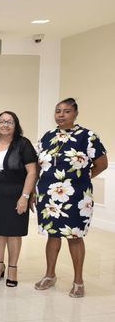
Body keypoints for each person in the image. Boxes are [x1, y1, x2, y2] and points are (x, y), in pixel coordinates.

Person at [34, 98, 107, 298]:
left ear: (75, 114)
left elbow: (102, 164)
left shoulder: (88, 136)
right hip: (48, 195)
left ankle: (78, 281)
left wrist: (82, 180)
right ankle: (50, 275)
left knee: (74, 236)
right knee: (53, 235)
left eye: (66, 111)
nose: (61, 114)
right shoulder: (47, 136)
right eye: (58, 111)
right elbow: (39, 165)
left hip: (76, 196)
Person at [0, 111, 38, 287]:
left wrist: (25, 197)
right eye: (1, 121)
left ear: (15, 125)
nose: (5, 124)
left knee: (13, 232)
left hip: (16, 195)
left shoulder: (23, 144)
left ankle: (12, 268)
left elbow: (32, 172)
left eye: (9, 122)